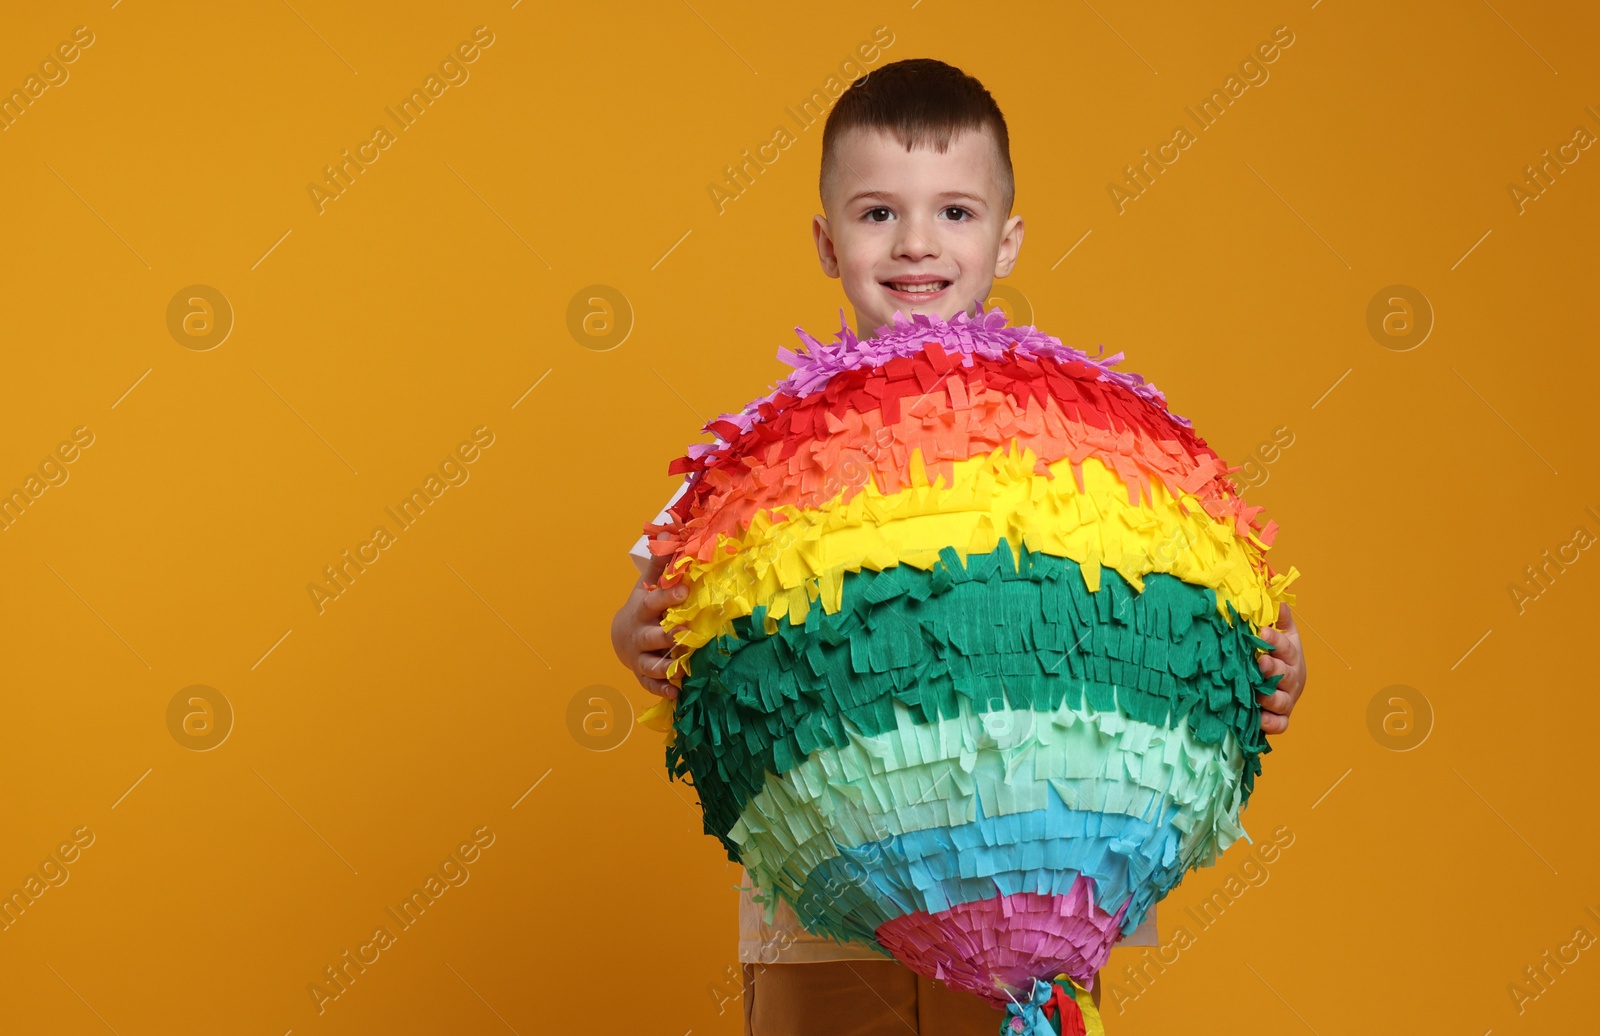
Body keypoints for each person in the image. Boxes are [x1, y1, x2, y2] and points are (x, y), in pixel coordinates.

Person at [611, 57, 1308, 1035]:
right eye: (876, 214)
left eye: (954, 212)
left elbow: (1188, 584)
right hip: (820, 911)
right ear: (826, 241)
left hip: (1039, 905)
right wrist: (630, 633)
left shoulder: (1082, 434)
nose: (915, 244)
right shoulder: (775, 447)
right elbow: (664, 575)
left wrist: (1277, 658)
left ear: (1006, 238)